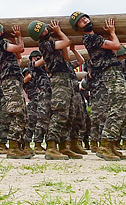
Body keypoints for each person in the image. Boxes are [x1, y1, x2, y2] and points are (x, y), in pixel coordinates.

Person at [71, 13, 126, 161]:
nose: (85, 20)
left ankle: (111, 144)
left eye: (85, 18)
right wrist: (112, 32)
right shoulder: (90, 38)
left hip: (113, 71)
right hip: (110, 72)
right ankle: (106, 144)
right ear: (79, 29)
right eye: (81, 21)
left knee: (122, 105)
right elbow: (116, 46)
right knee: (118, 106)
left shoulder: (95, 37)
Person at [27, 20, 76, 160]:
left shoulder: (51, 44)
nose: (45, 31)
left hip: (65, 77)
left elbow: (66, 57)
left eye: (44, 29)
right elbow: (67, 41)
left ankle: (63, 146)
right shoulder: (45, 44)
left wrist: (61, 39)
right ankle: (51, 145)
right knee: (60, 112)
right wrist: (60, 31)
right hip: (59, 78)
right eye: (42, 31)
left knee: (69, 113)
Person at [0, 21, 31, 158]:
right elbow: (21, 49)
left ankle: (18, 145)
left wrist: (13, 41)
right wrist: (19, 36)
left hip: (15, 79)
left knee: (23, 113)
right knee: (17, 112)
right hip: (10, 79)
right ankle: (13, 146)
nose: (1, 32)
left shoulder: (2, 44)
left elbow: (18, 56)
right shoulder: (0, 44)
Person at [24, 51, 51, 154]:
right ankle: (27, 144)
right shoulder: (32, 67)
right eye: (35, 57)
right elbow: (27, 79)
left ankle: (38, 144)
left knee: (43, 122)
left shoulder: (43, 70)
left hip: (42, 98)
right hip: (34, 101)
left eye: (39, 57)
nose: (37, 59)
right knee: (31, 122)